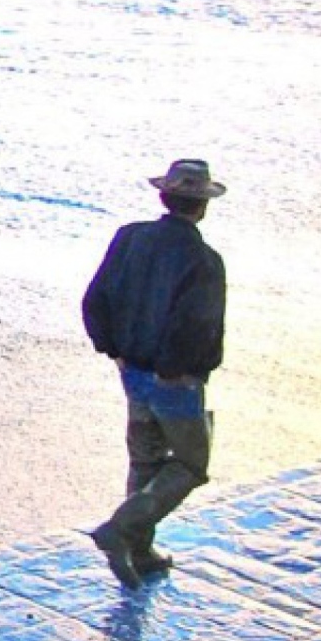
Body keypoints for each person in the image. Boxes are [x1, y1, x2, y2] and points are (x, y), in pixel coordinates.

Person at [81, 157, 227, 586]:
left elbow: (95, 299)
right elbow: (196, 324)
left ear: (164, 197)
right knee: (190, 464)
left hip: (132, 370)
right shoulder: (203, 260)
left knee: (145, 459)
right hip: (174, 380)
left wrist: (113, 350)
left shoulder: (130, 238)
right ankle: (121, 529)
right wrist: (176, 370)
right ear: (201, 207)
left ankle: (140, 553)